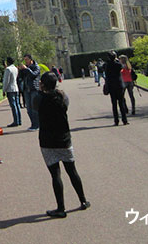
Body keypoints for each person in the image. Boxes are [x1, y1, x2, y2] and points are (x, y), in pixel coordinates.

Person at [35, 71, 91, 218]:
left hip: (48, 141)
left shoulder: (39, 99)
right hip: (64, 139)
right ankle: (83, 200)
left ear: (42, 84)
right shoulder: (62, 97)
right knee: (72, 171)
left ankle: (61, 208)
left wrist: (41, 91)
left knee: (56, 175)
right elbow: (65, 104)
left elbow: (35, 107)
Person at [105, 51, 128, 126]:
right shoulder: (118, 64)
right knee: (121, 103)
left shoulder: (107, 65)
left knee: (114, 104)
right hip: (119, 85)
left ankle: (116, 120)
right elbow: (122, 67)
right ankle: (124, 120)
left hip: (111, 86)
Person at [22, 54, 41, 131]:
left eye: (27, 59)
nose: (25, 61)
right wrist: (21, 70)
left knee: (34, 108)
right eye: (25, 60)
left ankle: (37, 125)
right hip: (27, 89)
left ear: (31, 60)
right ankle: (33, 124)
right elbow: (21, 77)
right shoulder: (26, 68)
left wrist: (27, 69)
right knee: (29, 109)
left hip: (34, 89)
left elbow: (34, 75)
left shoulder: (36, 67)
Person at [3, 57, 21, 127]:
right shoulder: (15, 68)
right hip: (15, 87)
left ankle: (16, 121)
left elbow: (6, 81)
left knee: (13, 105)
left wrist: (4, 90)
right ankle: (19, 120)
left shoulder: (8, 69)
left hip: (10, 89)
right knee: (17, 104)